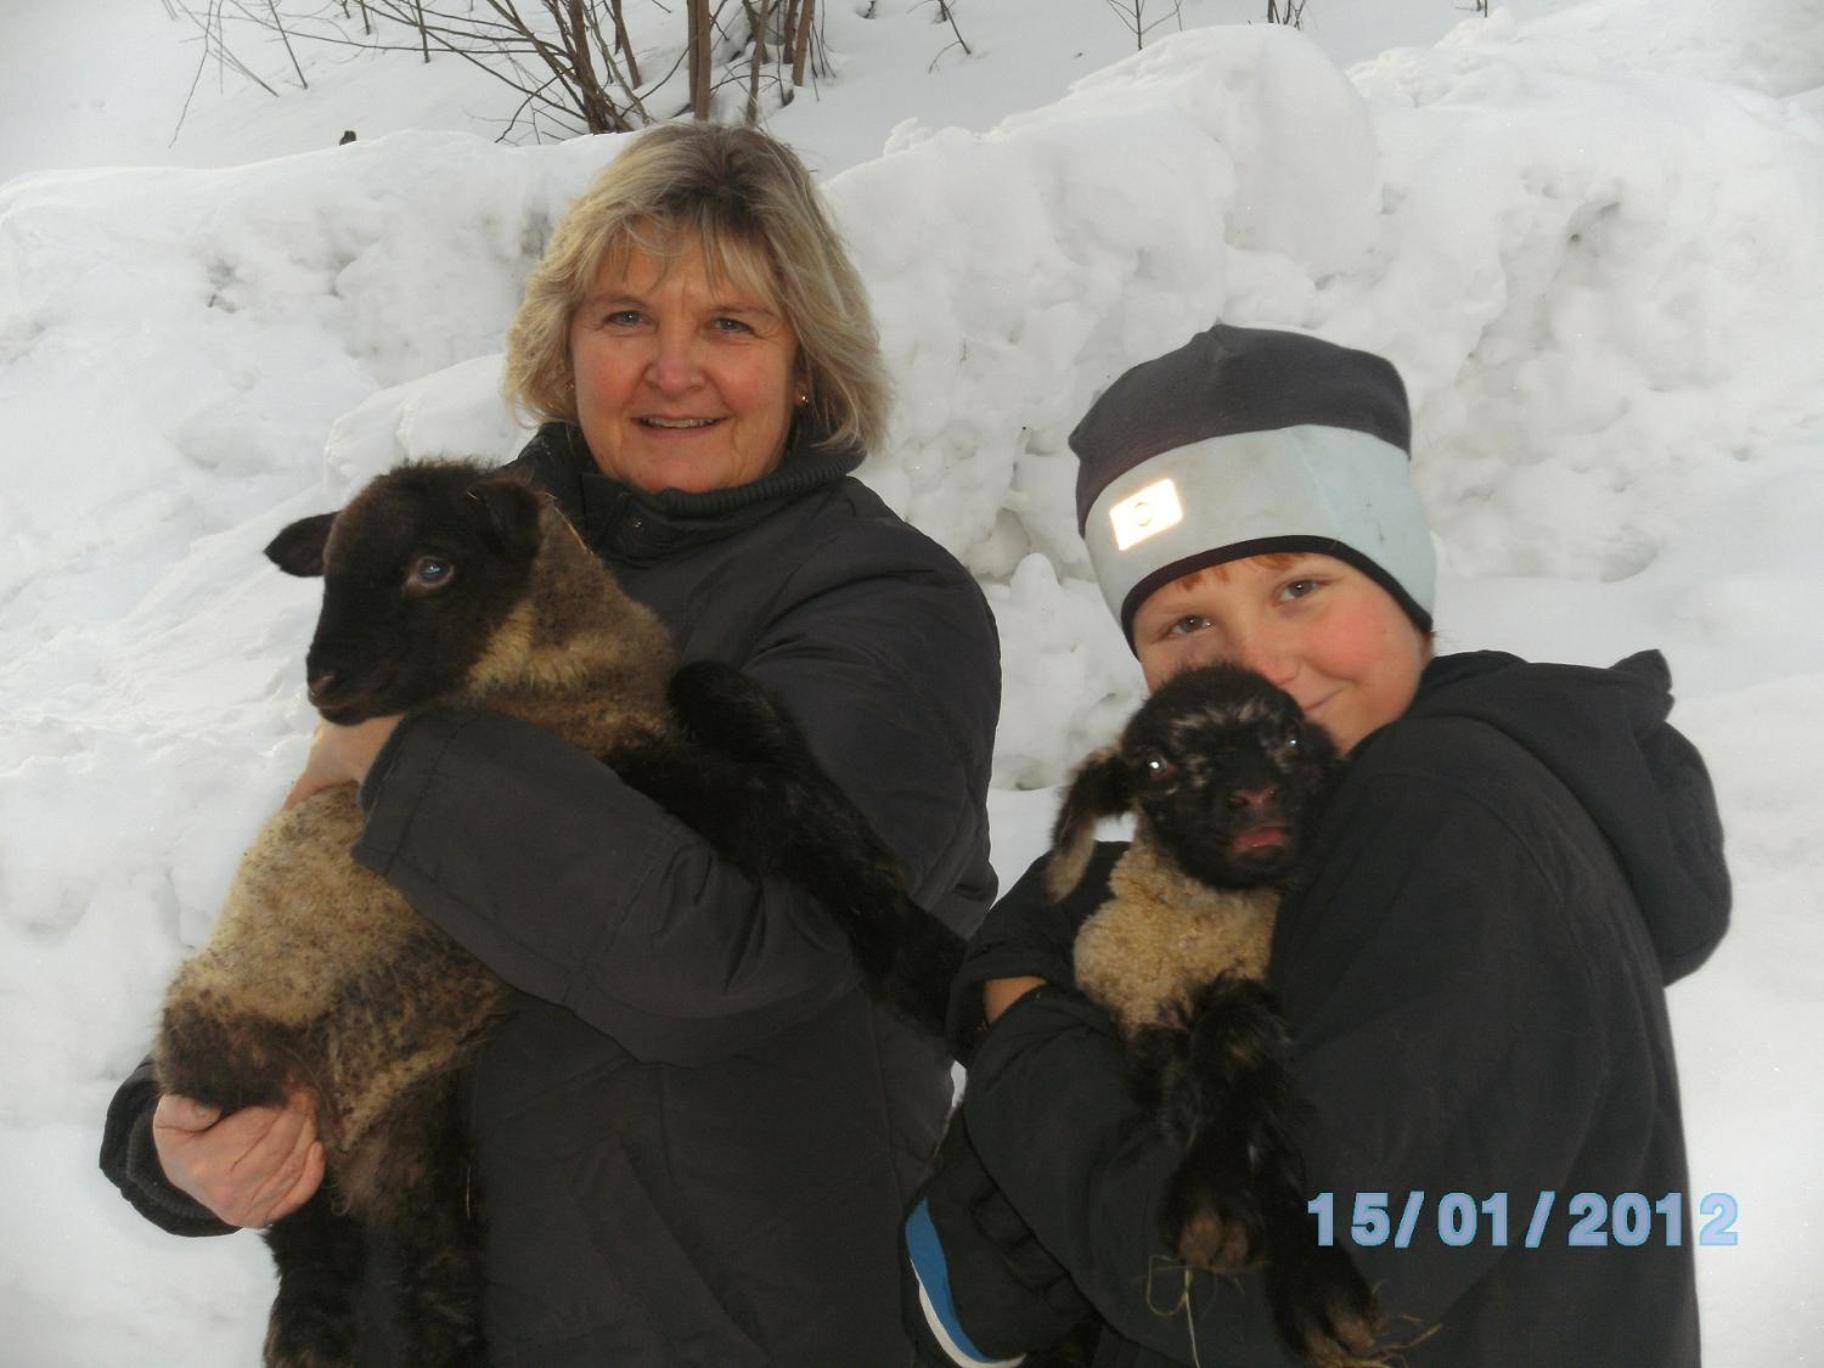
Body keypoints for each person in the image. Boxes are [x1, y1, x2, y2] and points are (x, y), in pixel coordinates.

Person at [100, 122, 1002, 1367]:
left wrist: (400, 754)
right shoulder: (449, 569)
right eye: (626, 316)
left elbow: (739, 959)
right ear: (563, 344)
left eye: (732, 326)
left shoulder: (886, 610)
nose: (670, 368)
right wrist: (181, 1134)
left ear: (808, 367)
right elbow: (319, 901)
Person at [904, 323, 1728, 1366]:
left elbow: (1261, 1292)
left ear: (1401, 579)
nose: (1258, 665)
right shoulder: (1370, 813)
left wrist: (1025, 1037)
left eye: (1298, 588)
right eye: (1185, 626)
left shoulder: (1451, 822)